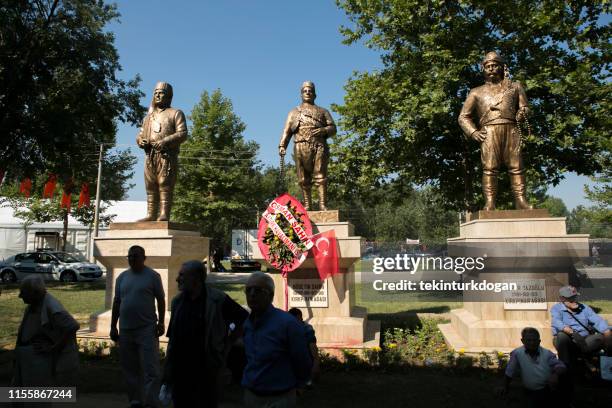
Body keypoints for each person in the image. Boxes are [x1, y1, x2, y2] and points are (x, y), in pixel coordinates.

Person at [162, 260, 248, 407]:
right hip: (180, 369)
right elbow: (173, 338)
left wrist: (227, 344)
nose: (177, 279)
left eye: (182, 275)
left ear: (195, 278)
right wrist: (168, 369)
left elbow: (243, 318)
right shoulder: (177, 301)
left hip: (206, 368)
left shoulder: (217, 299)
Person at [458, 51, 532, 211]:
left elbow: (525, 106)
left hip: (511, 129)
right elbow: (463, 117)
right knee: (490, 168)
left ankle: (521, 200)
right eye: (488, 66)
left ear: (501, 67)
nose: (491, 69)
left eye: (494, 65)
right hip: (489, 131)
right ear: (483, 70)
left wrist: (522, 112)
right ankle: (490, 203)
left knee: (517, 167)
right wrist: (473, 132)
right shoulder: (476, 92)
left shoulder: (515, 86)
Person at [242, 272, 312, 407]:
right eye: (248, 290)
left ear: (271, 295)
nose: (251, 294)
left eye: (258, 290)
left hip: (278, 398)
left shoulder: (288, 324)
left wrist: (298, 387)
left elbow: (302, 361)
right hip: (251, 395)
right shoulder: (247, 323)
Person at [110, 245, 166, 408]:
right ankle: (135, 400)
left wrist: (161, 322)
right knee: (130, 368)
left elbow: (161, 300)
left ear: (144, 258)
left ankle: (150, 402)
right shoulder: (122, 278)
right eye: (130, 256)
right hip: (126, 329)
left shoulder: (153, 276)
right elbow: (117, 302)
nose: (132, 259)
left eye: (136, 256)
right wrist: (113, 326)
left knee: (150, 367)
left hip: (147, 329)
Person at [12, 275, 80, 392]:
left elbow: (72, 326)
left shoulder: (51, 305)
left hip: (39, 360)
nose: (20, 296)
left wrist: (54, 348)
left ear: (35, 292)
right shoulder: (34, 305)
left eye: (24, 292)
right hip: (27, 358)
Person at [278, 81, 337, 210]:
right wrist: (282, 146)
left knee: (320, 175)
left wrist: (324, 130)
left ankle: (322, 205)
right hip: (300, 146)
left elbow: (333, 128)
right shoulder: (293, 112)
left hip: (319, 146)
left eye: (310, 90)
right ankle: (307, 205)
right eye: (305, 91)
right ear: (301, 94)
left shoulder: (323, 111)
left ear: (315, 94)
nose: (307, 92)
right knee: (303, 178)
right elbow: (287, 131)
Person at [136, 81, 188, 221]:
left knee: (165, 184)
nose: (158, 95)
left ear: (169, 96)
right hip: (150, 155)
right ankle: (151, 214)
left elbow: (182, 133)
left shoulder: (175, 113)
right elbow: (140, 135)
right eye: (156, 93)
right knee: (150, 185)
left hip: (167, 156)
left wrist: (165, 141)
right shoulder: (148, 117)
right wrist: (141, 141)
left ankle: (164, 213)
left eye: (162, 93)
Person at [499, 327, 567, 408]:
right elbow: (509, 372)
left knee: (565, 376)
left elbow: (561, 366)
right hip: (529, 391)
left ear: (539, 341)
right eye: (529, 340)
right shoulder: (517, 353)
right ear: (522, 341)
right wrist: (505, 387)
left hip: (547, 388)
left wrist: (555, 375)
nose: (532, 343)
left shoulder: (547, 353)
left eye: (534, 340)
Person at [551, 285, 611, 370]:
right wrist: (571, 332)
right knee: (561, 337)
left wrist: (607, 332)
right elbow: (556, 322)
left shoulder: (584, 308)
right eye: (570, 298)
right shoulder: (556, 308)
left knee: (603, 336)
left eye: (575, 297)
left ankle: (595, 364)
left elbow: (598, 321)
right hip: (569, 340)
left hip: (585, 340)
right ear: (562, 299)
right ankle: (565, 367)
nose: (574, 300)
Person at [288, 307, 320, 384]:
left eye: (298, 320)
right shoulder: (287, 328)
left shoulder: (306, 329)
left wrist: (315, 363)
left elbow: (312, 347)